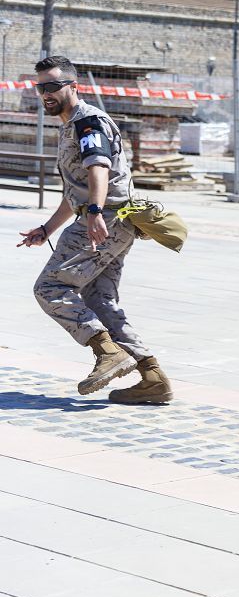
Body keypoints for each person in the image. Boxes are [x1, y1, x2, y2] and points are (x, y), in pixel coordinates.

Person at [17, 56, 173, 404]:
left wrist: (96, 213)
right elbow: (76, 191)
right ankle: (152, 376)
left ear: (74, 86)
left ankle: (108, 353)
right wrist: (47, 228)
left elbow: (98, 169)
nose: (46, 93)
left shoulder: (86, 121)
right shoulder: (70, 123)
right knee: (99, 300)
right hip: (112, 220)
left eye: (53, 86)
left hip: (105, 220)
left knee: (50, 287)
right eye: (40, 87)